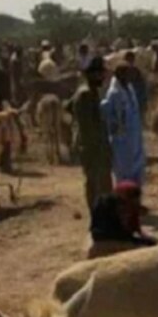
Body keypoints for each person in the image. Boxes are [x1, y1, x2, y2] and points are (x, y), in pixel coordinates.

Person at [68, 58, 114, 213]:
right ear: (93, 75)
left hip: (94, 146)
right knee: (96, 183)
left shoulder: (88, 91)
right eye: (101, 74)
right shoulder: (86, 94)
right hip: (92, 147)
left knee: (101, 183)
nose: (103, 77)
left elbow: (68, 107)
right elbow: (88, 127)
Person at [101, 64, 146, 188]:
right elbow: (107, 113)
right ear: (120, 75)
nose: (130, 76)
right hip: (122, 141)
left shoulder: (130, 89)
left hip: (135, 137)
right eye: (127, 74)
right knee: (123, 172)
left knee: (137, 171)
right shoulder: (113, 93)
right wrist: (115, 125)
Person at [88, 181, 158, 259]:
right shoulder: (119, 206)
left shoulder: (104, 201)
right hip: (113, 241)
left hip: (99, 241)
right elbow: (121, 232)